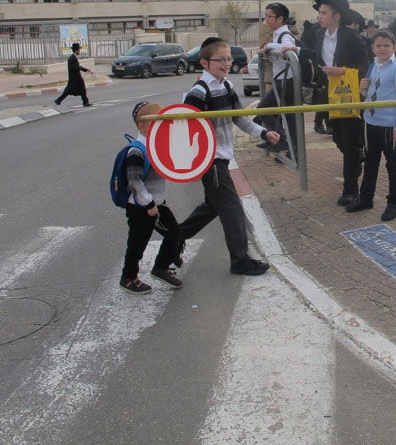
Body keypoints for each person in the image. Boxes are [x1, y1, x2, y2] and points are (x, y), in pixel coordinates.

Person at [176, 38, 280, 276]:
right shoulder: (198, 92)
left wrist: (263, 132)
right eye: (220, 59)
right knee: (232, 209)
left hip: (222, 157)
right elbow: (186, 129)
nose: (226, 63)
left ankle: (174, 239)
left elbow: (240, 118)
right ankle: (240, 260)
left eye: (228, 59)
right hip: (210, 161)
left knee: (212, 207)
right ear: (204, 62)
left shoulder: (226, 86)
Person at [312, 0, 371, 206]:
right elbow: (314, 57)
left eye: (324, 12)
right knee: (337, 137)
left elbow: (365, 65)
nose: (320, 15)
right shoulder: (319, 35)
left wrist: (342, 71)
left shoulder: (352, 37)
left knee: (349, 139)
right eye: (320, 12)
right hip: (328, 96)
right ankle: (356, 160)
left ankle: (350, 189)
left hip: (348, 95)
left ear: (337, 16)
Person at [345, 29, 396, 221]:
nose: (382, 49)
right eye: (379, 46)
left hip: (389, 125)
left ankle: (394, 203)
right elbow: (370, 96)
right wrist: (362, 90)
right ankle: (366, 198)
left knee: (393, 164)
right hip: (370, 122)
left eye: (386, 45)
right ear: (373, 48)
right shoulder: (372, 67)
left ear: (394, 47)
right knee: (371, 162)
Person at [119, 101, 183, 294]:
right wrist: (148, 204)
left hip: (157, 203)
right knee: (137, 244)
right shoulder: (137, 150)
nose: (160, 125)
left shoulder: (157, 146)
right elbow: (134, 181)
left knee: (175, 233)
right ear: (141, 126)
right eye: (155, 122)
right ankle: (128, 278)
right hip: (141, 207)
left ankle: (160, 267)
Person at [256, 2, 299, 155]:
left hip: (287, 81)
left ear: (280, 19)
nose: (266, 19)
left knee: (263, 109)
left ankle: (282, 140)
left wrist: (270, 46)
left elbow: (289, 50)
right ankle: (294, 150)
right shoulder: (276, 34)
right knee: (290, 117)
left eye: (269, 16)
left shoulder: (285, 35)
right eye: (265, 16)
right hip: (283, 80)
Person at [54, 42, 94, 107]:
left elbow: (76, 66)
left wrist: (85, 69)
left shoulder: (72, 57)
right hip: (76, 78)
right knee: (74, 90)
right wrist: (86, 69)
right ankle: (85, 102)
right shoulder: (73, 58)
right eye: (79, 50)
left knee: (72, 90)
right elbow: (76, 67)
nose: (79, 51)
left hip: (74, 77)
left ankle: (58, 100)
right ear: (76, 50)